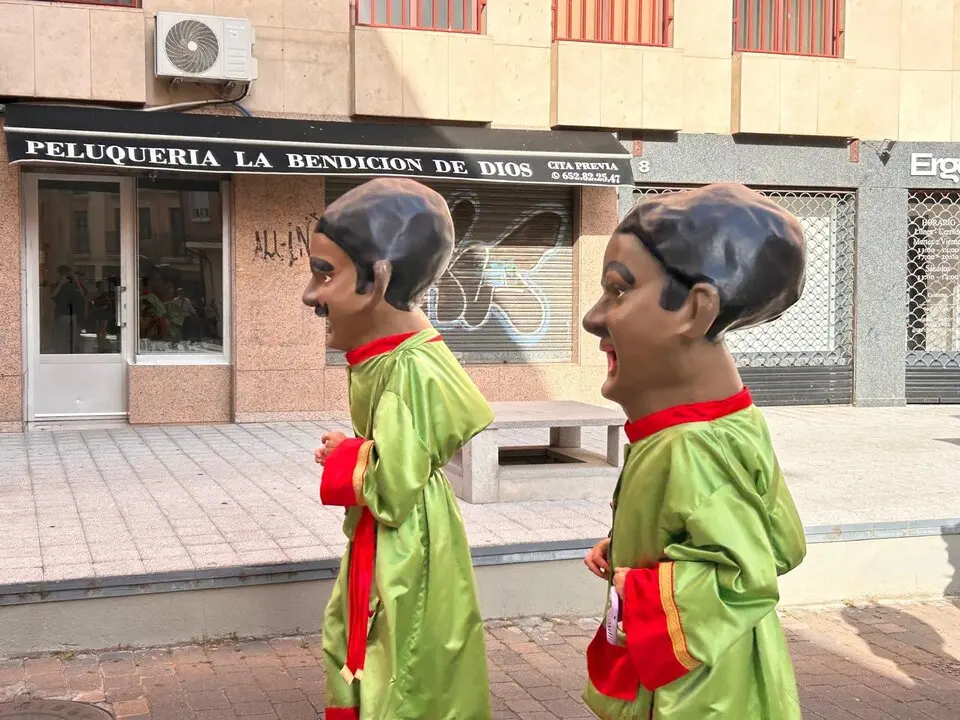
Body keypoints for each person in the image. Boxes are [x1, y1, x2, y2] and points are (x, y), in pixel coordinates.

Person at [580, 184, 808, 719]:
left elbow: (743, 572)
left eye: (617, 291)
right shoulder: (718, 421)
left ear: (695, 309)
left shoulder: (692, 443)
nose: (594, 317)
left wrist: (633, 590)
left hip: (700, 692)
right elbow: (776, 538)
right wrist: (630, 543)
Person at [303, 178, 493, 720]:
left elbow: (393, 485)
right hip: (405, 536)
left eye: (325, 273)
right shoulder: (395, 358)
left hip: (406, 542)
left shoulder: (408, 367)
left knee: (400, 656)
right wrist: (359, 447)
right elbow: (400, 454)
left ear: (377, 279)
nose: (311, 294)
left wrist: (350, 458)